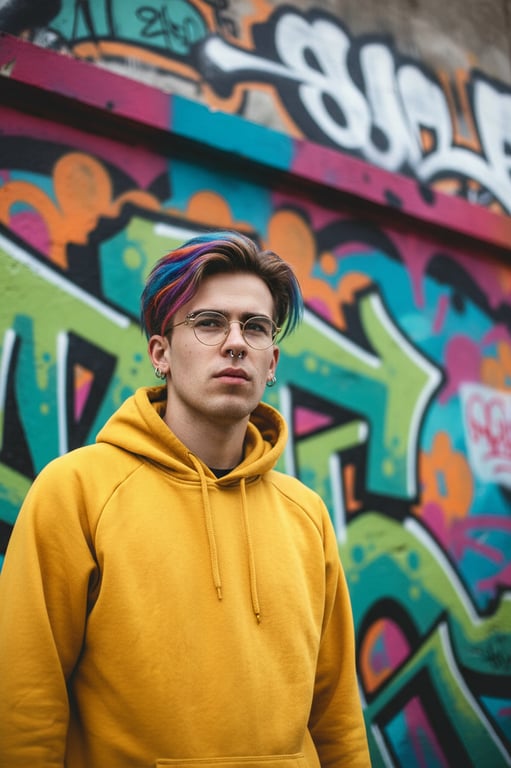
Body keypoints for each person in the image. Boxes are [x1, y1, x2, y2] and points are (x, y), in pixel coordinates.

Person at [0, 230, 371, 767]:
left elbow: (336, 716)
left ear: (271, 364)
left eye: (256, 327)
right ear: (161, 353)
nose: (236, 341)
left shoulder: (306, 514)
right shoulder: (76, 490)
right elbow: (26, 703)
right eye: (209, 322)